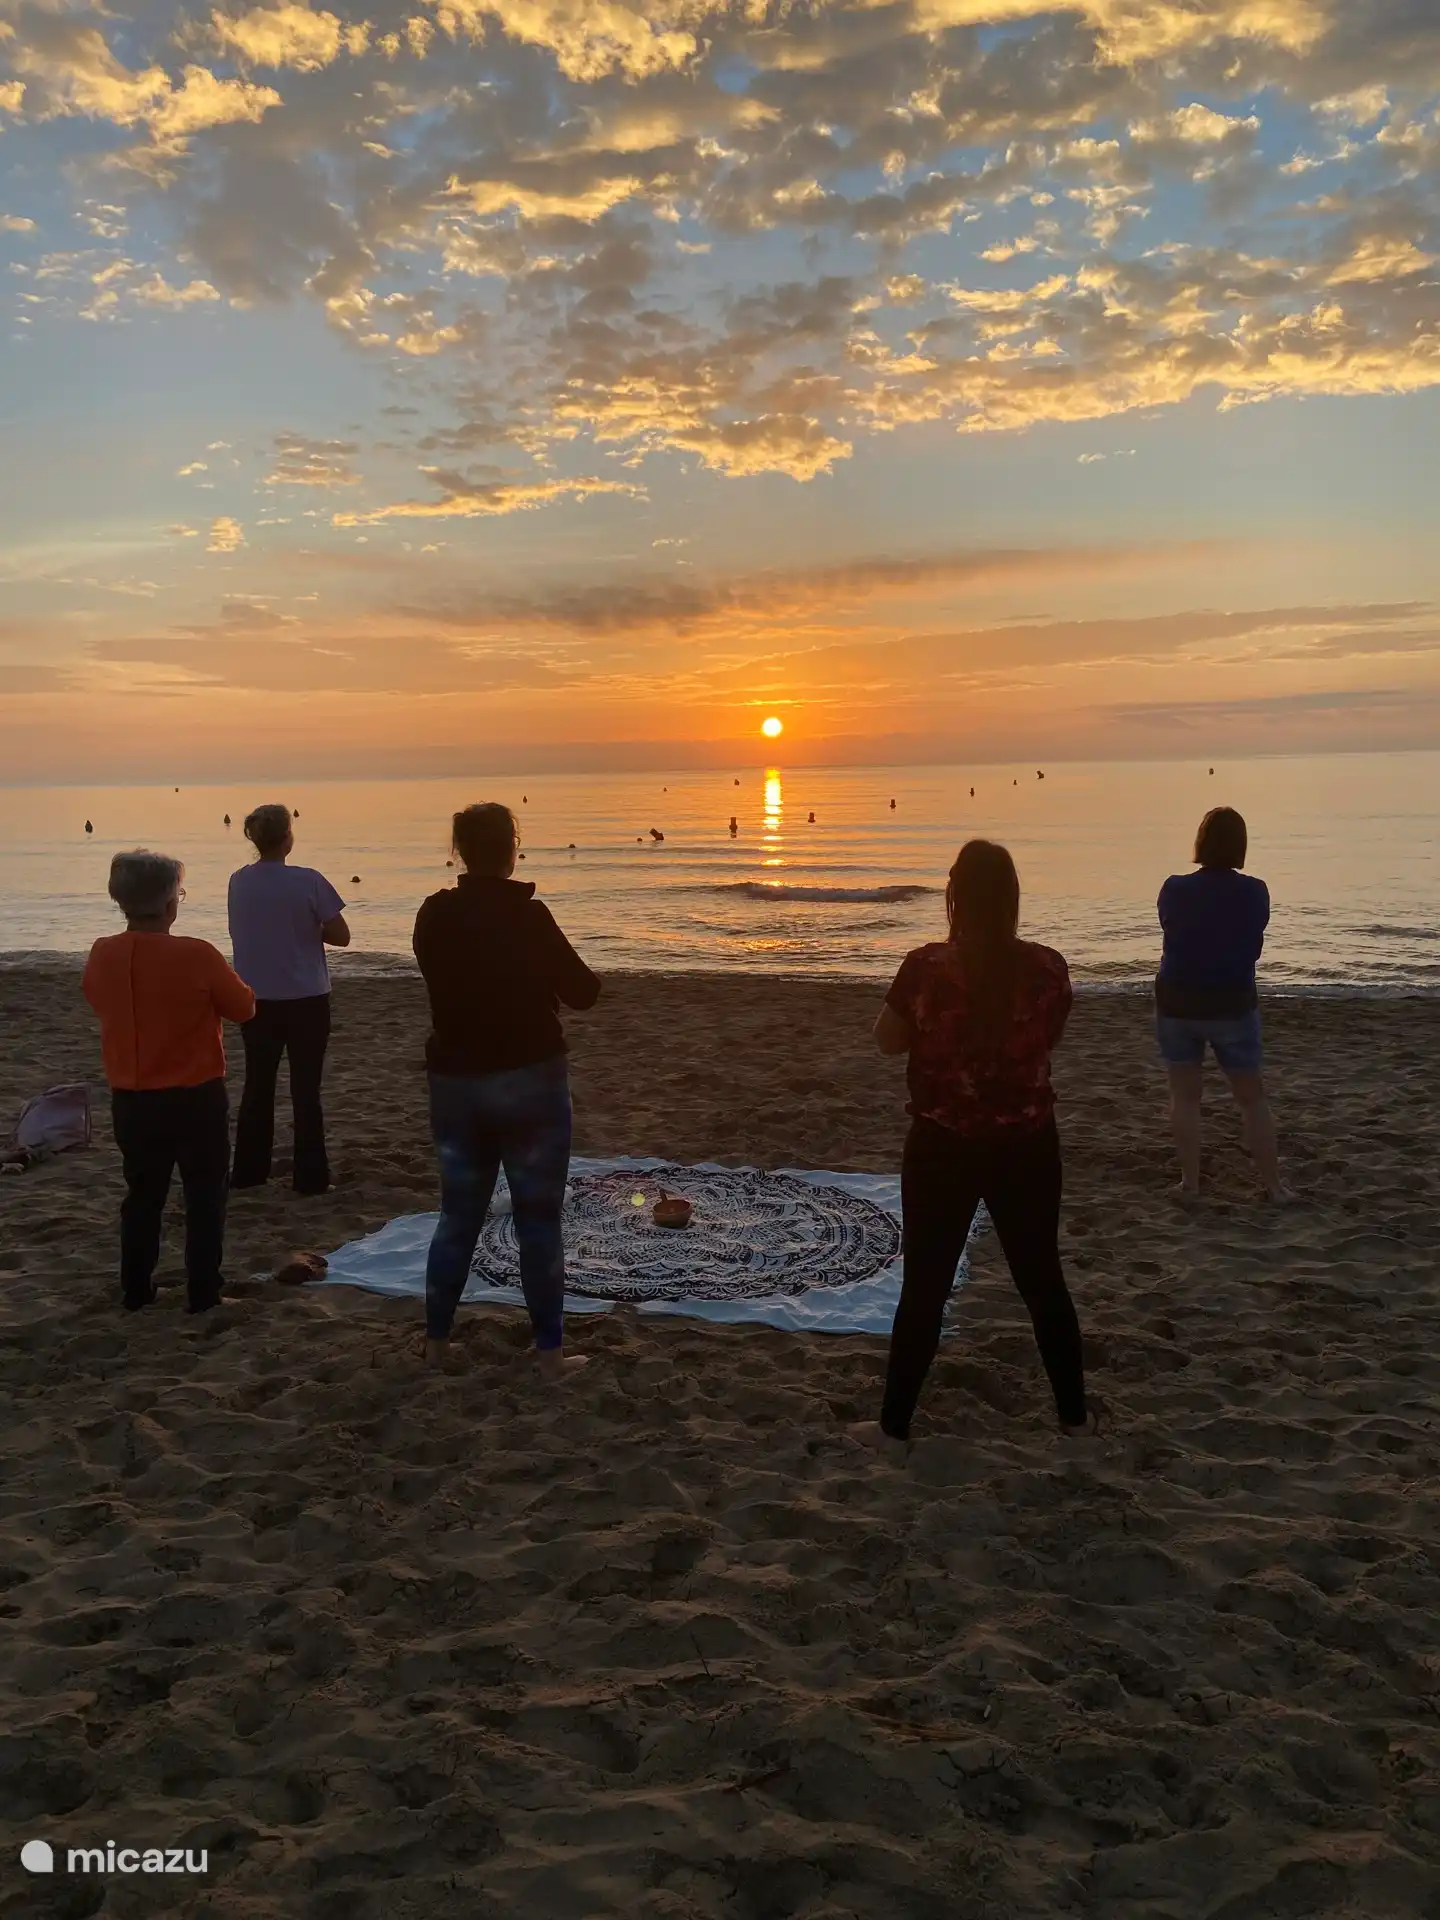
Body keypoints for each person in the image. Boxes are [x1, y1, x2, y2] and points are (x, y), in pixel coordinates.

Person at [854, 840, 1092, 1452]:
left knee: (925, 1287)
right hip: (1027, 1145)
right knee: (1042, 1281)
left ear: (955, 897)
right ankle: (1075, 1420)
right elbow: (1052, 1036)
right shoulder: (1047, 968)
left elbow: (885, 1042)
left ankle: (893, 1428)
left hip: (943, 1147)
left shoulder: (926, 968)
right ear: (1012, 898)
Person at [412, 803, 601, 1375]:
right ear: (512, 848)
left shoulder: (432, 915)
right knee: (537, 1219)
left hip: (455, 1080)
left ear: (459, 851)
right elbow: (585, 992)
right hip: (531, 1077)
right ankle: (549, 1354)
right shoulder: (530, 917)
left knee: (458, 1215)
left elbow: (440, 977)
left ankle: (438, 1343)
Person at [82, 851, 255, 1312]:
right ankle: (204, 1292)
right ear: (169, 903)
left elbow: (97, 999)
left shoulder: (103, 952)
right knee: (203, 1196)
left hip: (133, 1095)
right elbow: (243, 1008)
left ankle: (136, 1289)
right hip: (194, 1094)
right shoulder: (196, 953)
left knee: (142, 1195)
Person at [1156, 806, 1288, 1201]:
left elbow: (1172, 929)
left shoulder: (1174, 888)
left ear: (1201, 842)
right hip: (1232, 1001)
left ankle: (1191, 1183)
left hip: (1179, 1000)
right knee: (1252, 1098)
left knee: (1185, 1097)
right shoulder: (1254, 890)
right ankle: (1274, 1187)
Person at [228, 804, 349, 1195]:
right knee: (305, 1089)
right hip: (305, 996)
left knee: (258, 1086)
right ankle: (311, 1178)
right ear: (287, 838)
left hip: (256, 995)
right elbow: (341, 935)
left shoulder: (239, 881)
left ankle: (249, 1172)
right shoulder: (308, 880)